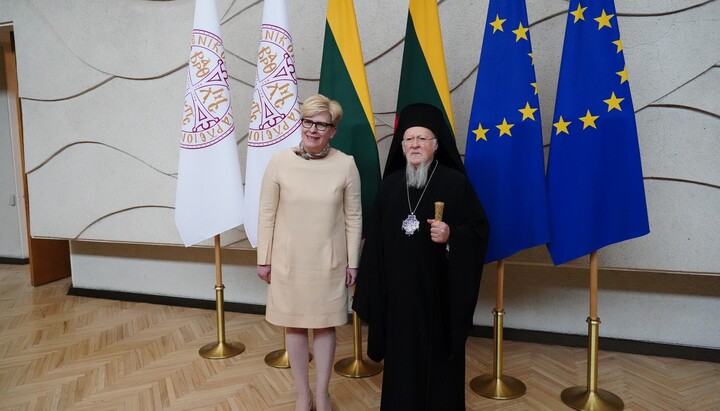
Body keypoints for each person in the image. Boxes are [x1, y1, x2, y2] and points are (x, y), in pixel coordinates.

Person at [353, 103, 489, 410]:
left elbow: (480, 230)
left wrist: (452, 234)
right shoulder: (389, 187)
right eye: (409, 139)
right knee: (402, 370)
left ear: (436, 145)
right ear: (401, 146)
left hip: (439, 299)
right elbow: (375, 245)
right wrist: (373, 290)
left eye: (423, 139)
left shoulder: (455, 183)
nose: (415, 144)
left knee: (439, 370)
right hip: (398, 302)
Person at [256, 94, 362, 411]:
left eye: (321, 124)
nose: (313, 130)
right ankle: (303, 395)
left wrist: (353, 262)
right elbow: (266, 213)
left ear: (333, 130)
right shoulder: (279, 161)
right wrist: (264, 258)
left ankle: (324, 392)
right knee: (296, 325)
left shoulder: (346, 164)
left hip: (329, 262)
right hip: (288, 261)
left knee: (326, 325)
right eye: (307, 122)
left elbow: (355, 217)